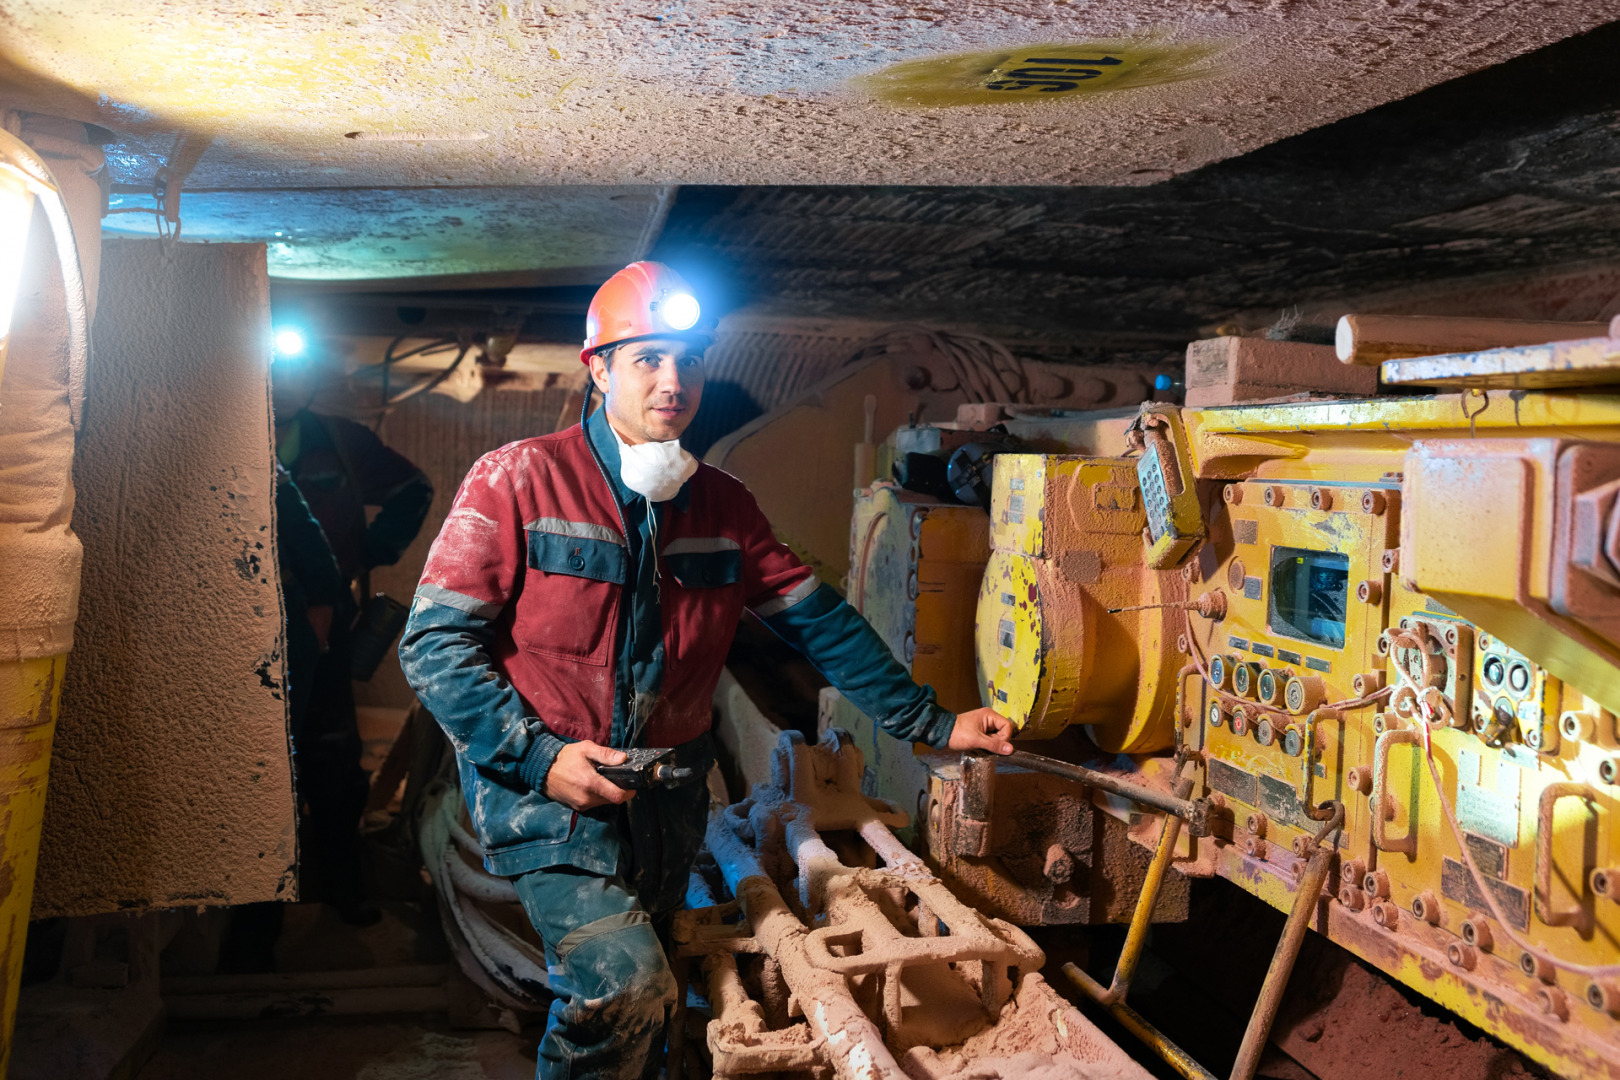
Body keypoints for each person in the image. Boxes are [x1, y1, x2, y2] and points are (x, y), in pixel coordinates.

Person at [398, 261, 1014, 1080]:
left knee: (659, 994)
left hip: (667, 796)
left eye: (688, 359)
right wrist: (541, 759)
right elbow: (433, 647)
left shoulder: (721, 503)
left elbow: (817, 619)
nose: (673, 379)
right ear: (599, 368)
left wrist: (933, 722)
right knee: (624, 987)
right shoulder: (517, 480)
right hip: (547, 796)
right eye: (647, 357)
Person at [273, 351, 434, 925]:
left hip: (325, 622)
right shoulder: (232, 437)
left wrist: (367, 553)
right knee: (265, 768)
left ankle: (342, 894)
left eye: (300, 371)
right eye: (275, 368)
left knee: (334, 759)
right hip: (245, 627)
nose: (289, 382)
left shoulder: (338, 441)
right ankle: (255, 924)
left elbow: (413, 487)